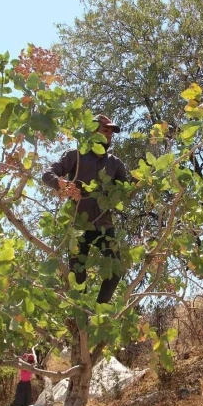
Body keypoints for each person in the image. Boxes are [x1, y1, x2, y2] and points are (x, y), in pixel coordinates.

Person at [42, 114, 129, 304]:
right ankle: (80, 322)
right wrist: (60, 184)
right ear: (92, 132)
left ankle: (97, 312)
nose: (109, 135)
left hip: (105, 227)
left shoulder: (115, 164)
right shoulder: (75, 156)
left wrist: (139, 183)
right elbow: (46, 174)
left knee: (115, 271)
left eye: (111, 132)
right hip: (79, 226)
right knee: (78, 280)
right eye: (105, 130)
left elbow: (126, 191)